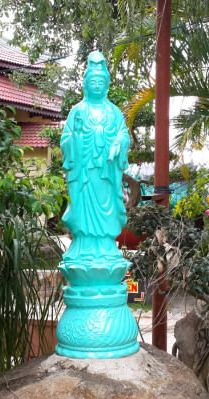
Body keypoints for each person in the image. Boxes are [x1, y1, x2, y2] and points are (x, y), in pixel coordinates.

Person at [60, 52, 130, 261]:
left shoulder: (114, 112)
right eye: (93, 82)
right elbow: (66, 140)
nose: (97, 85)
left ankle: (106, 245)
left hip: (106, 174)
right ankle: (83, 245)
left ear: (107, 85)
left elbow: (123, 135)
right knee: (83, 206)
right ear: (85, 85)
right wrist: (76, 133)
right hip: (84, 172)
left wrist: (118, 144)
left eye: (101, 82)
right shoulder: (78, 111)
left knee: (107, 205)